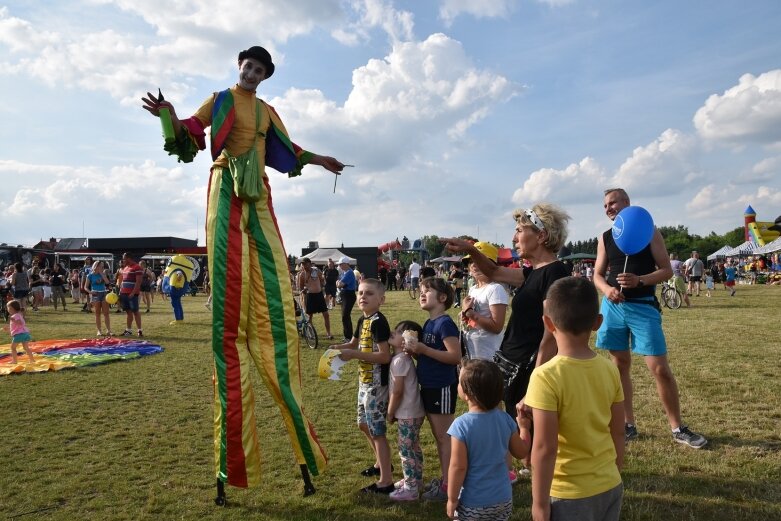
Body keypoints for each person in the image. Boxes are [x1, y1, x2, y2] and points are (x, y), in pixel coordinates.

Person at [141, 46, 341, 490]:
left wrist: (321, 159)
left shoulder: (267, 112)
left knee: (271, 274)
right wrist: (166, 115)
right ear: (240, 68)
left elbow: (290, 150)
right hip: (225, 184)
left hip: (259, 192)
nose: (251, 73)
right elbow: (191, 131)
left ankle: (300, 446)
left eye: (259, 69)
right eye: (247, 66)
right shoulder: (222, 99)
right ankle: (231, 463)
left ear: (265, 76)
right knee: (231, 301)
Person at [594, 188, 707, 448]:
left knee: (659, 368)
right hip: (613, 307)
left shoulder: (650, 232)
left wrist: (640, 280)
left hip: (643, 307)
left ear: (627, 203)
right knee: (619, 365)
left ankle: (678, 428)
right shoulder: (605, 238)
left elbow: (667, 270)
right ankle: (627, 425)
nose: (608, 208)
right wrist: (607, 289)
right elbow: (598, 275)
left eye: (612, 203)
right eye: (605, 206)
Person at [443, 204, 571, 418]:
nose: (513, 238)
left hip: (528, 373)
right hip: (514, 368)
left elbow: (551, 335)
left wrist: (535, 386)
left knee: (529, 441)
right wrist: (471, 249)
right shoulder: (533, 272)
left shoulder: (555, 272)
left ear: (541, 236)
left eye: (520, 231)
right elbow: (492, 271)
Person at [523, 277, 624, 521]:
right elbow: (618, 432)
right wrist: (613, 473)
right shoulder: (611, 369)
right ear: (598, 323)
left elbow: (545, 448)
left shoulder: (545, 376)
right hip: (610, 485)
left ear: (548, 323)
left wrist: (539, 504)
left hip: (568, 494)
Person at [447, 359, 530, 521]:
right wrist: (525, 428)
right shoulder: (505, 419)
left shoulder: (461, 425)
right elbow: (521, 452)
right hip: (503, 500)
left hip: (473, 503)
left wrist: (452, 499)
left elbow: (458, 467)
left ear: (466, 392)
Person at [333, 278, 393, 494]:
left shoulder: (379, 322)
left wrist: (354, 355)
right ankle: (381, 463)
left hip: (377, 386)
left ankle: (386, 481)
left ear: (381, 300)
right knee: (363, 424)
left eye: (368, 294)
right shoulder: (362, 320)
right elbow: (352, 344)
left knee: (377, 431)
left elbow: (385, 356)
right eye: (360, 293)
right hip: (364, 383)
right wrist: (335, 348)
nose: (362, 297)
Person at [404, 277, 461, 502]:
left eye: (428, 290)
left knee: (444, 438)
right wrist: (415, 351)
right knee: (439, 438)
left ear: (443, 297)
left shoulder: (444, 323)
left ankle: (449, 485)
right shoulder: (429, 323)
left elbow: (455, 356)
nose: (422, 293)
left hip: (441, 387)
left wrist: (424, 350)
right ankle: (445, 479)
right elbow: (429, 353)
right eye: (421, 290)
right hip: (428, 385)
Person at [387, 320, 426, 502]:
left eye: (396, 333)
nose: (392, 334)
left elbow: (397, 390)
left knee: (405, 449)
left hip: (407, 412)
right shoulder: (404, 358)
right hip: (415, 412)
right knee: (413, 446)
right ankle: (415, 480)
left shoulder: (399, 361)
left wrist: (390, 411)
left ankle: (410, 488)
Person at [460, 242, 509, 361]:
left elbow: (497, 326)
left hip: (488, 354)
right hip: (473, 351)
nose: (474, 265)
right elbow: (473, 318)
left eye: (478, 260)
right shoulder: (473, 289)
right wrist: (465, 316)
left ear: (490, 264)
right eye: (471, 262)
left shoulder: (495, 289)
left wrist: (470, 313)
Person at [297, 258, 332, 339]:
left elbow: (323, 281)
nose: (304, 265)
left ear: (309, 263)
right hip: (310, 297)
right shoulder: (302, 274)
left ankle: (328, 333)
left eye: (305, 264)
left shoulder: (317, 271)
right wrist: (304, 290)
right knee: (309, 316)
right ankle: (310, 333)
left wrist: (322, 287)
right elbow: (300, 287)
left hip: (319, 295)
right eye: (303, 264)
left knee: (326, 315)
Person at [119, 253, 143, 337]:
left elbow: (138, 282)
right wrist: (120, 292)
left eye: (124, 259)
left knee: (135, 311)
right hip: (123, 293)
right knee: (128, 312)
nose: (123, 260)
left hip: (132, 294)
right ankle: (128, 330)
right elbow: (122, 281)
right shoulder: (125, 268)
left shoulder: (137, 267)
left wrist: (133, 293)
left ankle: (139, 330)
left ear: (129, 258)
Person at [3, 300, 35, 365]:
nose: (7, 309)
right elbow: (17, 327)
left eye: (8, 307)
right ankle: (32, 360)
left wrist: (13, 320)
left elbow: (20, 323)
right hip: (25, 333)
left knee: (13, 348)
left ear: (11, 308)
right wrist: (8, 329)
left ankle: (14, 361)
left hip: (19, 334)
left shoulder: (14, 316)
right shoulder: (19, 314)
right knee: (26, 348)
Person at [87, 261, 113, 337]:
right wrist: (90, 292)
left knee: (106, 313)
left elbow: (107, 282)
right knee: (97, 314)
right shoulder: (90, 275)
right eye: (101, 266)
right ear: (96, 266)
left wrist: (102, 274)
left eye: (103, 266)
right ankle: (99, 331)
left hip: (104, 293)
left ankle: (109, 330)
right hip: (95, 294)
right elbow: (85, 287)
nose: (102, 268)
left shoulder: (103, 274)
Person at [336, 256, 357, 343]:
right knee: (345, 316)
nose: (340, 266)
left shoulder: (349, 273)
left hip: (348, 295)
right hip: (345, 295)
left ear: (346, 264)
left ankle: (348, 337)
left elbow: (339, 284)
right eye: (339, 264)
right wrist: (338, 283)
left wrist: (338, 283)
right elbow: (338, 283)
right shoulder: (345, 273)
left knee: (345, 316)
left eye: (341, 264)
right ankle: (347, 336)